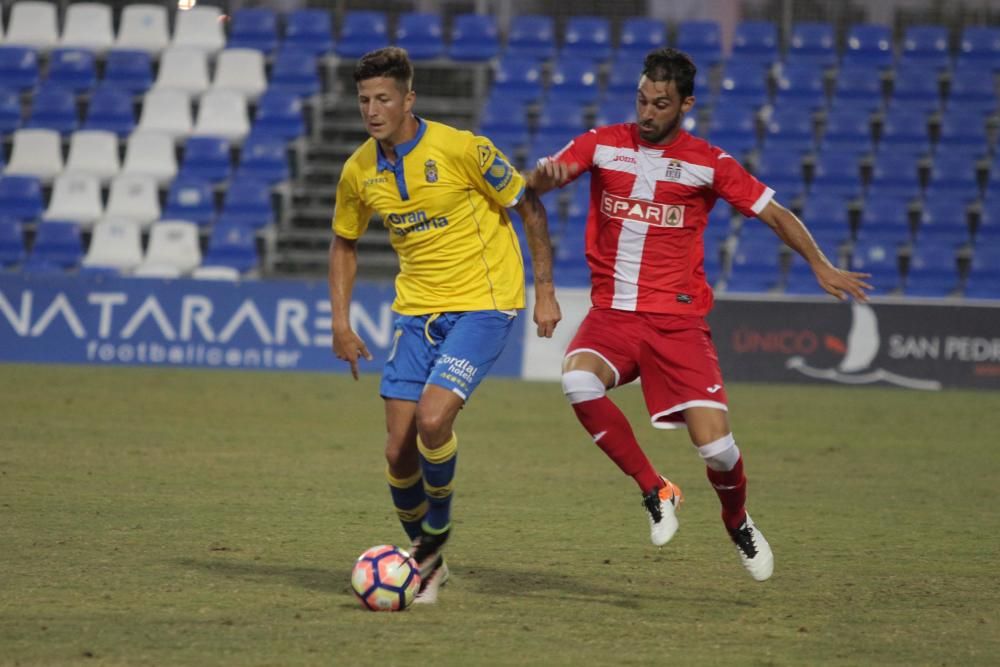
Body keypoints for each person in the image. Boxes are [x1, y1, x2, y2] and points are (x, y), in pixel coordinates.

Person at [528, 47, 871, 581]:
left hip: (678, 322)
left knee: (716, 448)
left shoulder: (709, 162)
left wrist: (819, 265)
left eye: (660, 104)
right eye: (641, 100)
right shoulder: (601, 144)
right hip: (615, 314)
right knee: (577, 382)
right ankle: (655, 488)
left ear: (685, 104)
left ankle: (737, 522)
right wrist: (544, 180)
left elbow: (774, 214)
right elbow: (541, 182)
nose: (646, 113)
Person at [329, 47, 561, 603]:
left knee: (434, 419)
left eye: (384, 98)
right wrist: (340, 322)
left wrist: (545, 291)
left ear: (409, 99)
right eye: (364, 100)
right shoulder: (359, 170)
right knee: (397, 453)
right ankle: (427, 563)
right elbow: (344, 242)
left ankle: (434, 539)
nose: (373, 109)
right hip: (415, 313)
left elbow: (528, 204)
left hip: (485, 303)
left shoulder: (463, 149)